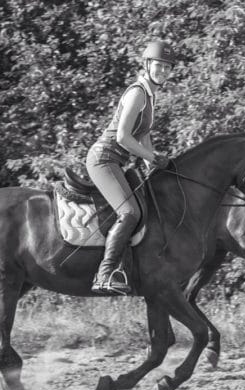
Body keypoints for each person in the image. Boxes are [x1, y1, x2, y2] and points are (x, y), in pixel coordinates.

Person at [86, 41, 174, 294]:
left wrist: (153, 162)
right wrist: (153, 157)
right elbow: (124, 137)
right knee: (130, 213)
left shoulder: (150, 94)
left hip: (117, 161)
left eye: (168, 67)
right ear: (147, 65)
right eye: (159, 65)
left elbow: (143, 136)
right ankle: (106, 273)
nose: (163, 71)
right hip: (104, 158)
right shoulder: (137, 92)